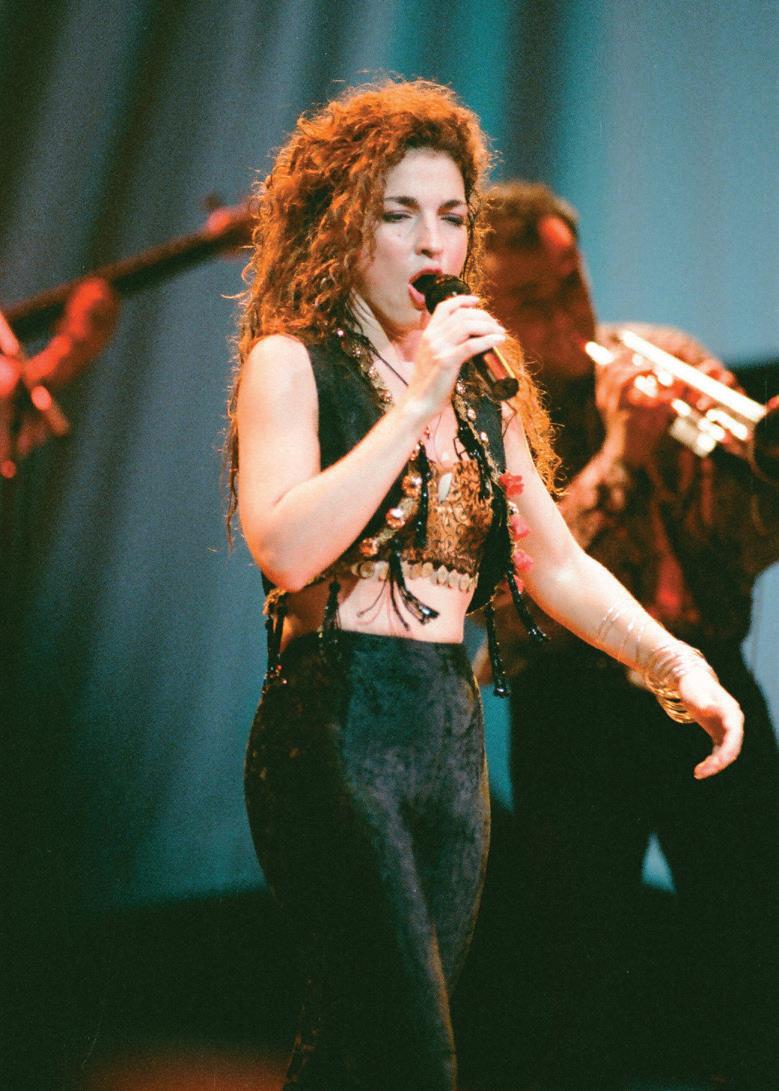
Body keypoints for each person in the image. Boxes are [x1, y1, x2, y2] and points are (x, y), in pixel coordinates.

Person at [226, 84, 744, 1091]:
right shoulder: (291, 362)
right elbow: (285, 545)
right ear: (343, 224)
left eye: (451, 215)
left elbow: (554, 560)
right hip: (335, 723)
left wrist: (673, 661)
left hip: (445, 736)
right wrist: (414, 395)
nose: (433, 241)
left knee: (354, 1049)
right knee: (413, 1056)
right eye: (399, 213)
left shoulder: (477, 388)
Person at [479, 181, 779, 1090]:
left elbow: (742, 554)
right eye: (530, 300)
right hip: (573, 711)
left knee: (756, 931)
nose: (564, 312)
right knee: (582, 960)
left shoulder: (665, 358)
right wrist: (621, 456)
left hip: (708, 683)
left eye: (570, 282)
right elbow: (512, 600)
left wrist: (755, 482)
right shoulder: (485, 417)